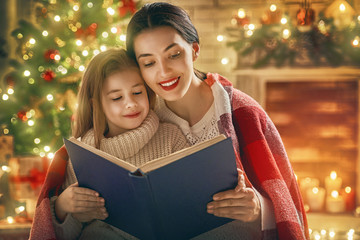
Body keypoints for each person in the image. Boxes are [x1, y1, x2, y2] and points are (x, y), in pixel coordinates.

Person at [125, 2, 309, 240]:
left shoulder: (244, 111)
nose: (164, 72)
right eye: (149, 62)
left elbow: (287, 201)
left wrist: (258, 208)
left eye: (174, 55)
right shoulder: (138, 118)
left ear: (194, 50)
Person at [29, 48, 190, 240]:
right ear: (96, 104)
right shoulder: (81, 155)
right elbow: (63, 236)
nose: (130, 103)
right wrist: (63, 208)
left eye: (137, 92)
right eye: (117, 98)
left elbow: (192, 205)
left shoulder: (171, 138)